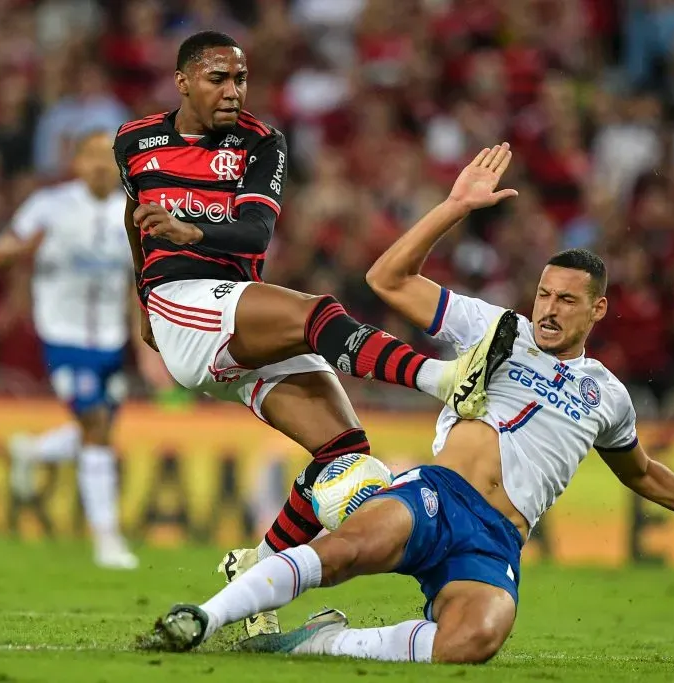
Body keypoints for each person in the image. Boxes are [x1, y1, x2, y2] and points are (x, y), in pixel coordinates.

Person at [144, 143, 674, 663]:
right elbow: (387, 279)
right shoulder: (498, 330)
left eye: (567, 299)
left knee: (474, 639)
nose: (548, 308)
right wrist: (455, 206)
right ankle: (205, 615)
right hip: (439, 496)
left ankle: (315, 641)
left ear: (597, 308)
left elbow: (641, 471)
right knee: (346, 552)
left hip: (496, 540)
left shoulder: (608, 394)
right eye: (544, 293)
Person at [114, 32, 512, 635]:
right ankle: (443, 378)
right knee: (312, 314)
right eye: (219, 78)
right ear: (183, 80)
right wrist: (143, 295)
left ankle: (256, 575)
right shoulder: (134, 141)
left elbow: (253, 236)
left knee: (344, 455)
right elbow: (133, 215)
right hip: (183, 306)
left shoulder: (261, 143)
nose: (232, 91)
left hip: (239, 313)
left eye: (240, 79)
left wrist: (191, 232)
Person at [0, 130, 138, 570]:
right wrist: (20, 248)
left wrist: (145, 343)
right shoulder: (49, 205)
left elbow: (135, 283)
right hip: (62, 334)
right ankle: (107, 539)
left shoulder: (128, 212)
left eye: (106, 159)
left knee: (101, 431)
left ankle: (31, 452)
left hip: (111, 339)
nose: (98, 166)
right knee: (95, 426)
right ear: (75, 164)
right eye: (89, 157)